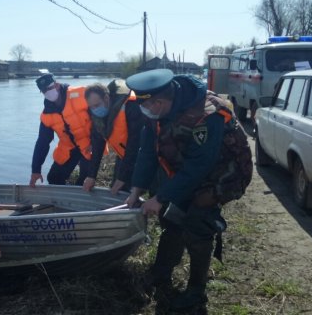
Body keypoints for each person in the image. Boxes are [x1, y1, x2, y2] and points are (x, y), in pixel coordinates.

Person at [125, 69, 252, 312]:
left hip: (223, 174)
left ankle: (196, 291)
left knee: (197, 223)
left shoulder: (207, 115)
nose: (145, 112)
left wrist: (160, 197)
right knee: (172, 217)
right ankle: (161, 273)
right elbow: (148, 153)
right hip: (187, 169)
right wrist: (136, 189)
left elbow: (199, 167)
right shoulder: (156, 113)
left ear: (160, 102)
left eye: (148, 106)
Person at [82, 80, 147, 194]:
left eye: (96, 105)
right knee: (116, 189)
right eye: (91, 107)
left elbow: (134, 144)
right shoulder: (97, 115)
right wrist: (91, 176)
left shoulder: (130, 107)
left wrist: (122, 178)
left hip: (145, 153)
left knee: (146, 188)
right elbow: (97, 146)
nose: (95, 110)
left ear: (106, 98)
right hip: (123, 154)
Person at [30, 73, 92, 187]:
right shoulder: (46, 115)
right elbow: (42, 142)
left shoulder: (82, 93)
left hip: (90, 144)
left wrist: (96, 141)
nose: (47, 92)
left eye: (49, 88)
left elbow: (101, 116)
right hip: (68, 147)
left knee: (85, 181)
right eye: (44, 91)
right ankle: (63, 201)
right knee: (53, 177)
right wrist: (36, 170)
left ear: (57, 85)